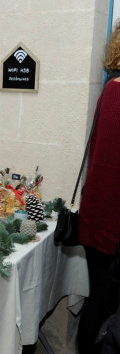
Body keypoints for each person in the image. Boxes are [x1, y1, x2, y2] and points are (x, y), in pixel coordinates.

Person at [77, 21, 120, 353]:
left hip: (98, 215)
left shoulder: (111, 88)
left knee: (99, 299)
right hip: (111, 219)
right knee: (106, 305)